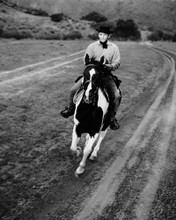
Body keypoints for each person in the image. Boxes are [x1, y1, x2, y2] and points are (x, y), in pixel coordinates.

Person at [60, 24, 121, 130]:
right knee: (73, 90)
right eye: (100, 34)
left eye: (104, 35)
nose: (102, 36)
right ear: (98, 35)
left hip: (106, 76)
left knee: (116, 95)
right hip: (92, 75)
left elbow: (117, 63)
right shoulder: (92, 46)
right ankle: (70, 109)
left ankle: (111, 117)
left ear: (108, 36)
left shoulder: (114, 48)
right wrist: (94, 64)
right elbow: (86, 60)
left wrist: (108, 66)